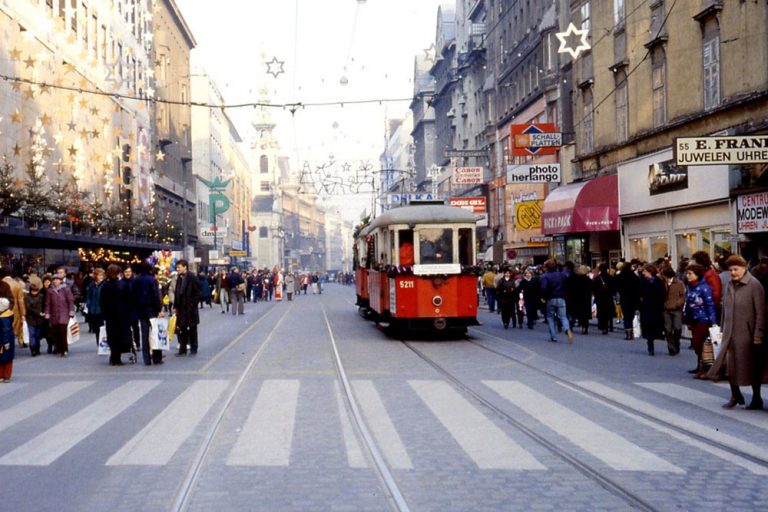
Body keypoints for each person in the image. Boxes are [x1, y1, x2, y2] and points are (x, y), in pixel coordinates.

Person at [708, 255, 767, 409]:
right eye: (731, 270)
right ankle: (735, 395)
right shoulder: (729, 284)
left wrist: (758, 334)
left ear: (744, 268)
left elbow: (760, 312)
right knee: (730, 366)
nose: (733, 273)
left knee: (751, 366)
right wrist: (722, 328)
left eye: (736, 269)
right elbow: (725, 309)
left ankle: (756, 398)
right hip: (730, 332)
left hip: (747, 333)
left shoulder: (754, 285)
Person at [684, 263, 717, 378]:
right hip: (693, 319)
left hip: (703, 319)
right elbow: (688, 304)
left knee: (700, 344)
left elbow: (710, 305)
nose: (687, 276)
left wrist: (713, 322)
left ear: (697, 274)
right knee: (697, 344)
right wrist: (687, 319)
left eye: (690, 273)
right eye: (687, 273)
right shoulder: (689, 286)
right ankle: (700, 366)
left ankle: (706, 368)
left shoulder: (704, 288)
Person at [132, 262, 165, 366]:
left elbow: (133, 295)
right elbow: (155, 295)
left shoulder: (136, 280)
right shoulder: (152, 280)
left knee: (144, 334)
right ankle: (157, 357)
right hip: (152, 309)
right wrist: (159, 309)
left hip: (141, 310)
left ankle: (146, 358)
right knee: (155, 333)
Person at [100, 264, 131, 366]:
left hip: (110, 316)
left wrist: (104, 313)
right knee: (120, 336)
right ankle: (117, 357)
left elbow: (102, 302)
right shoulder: (122, 285)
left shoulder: (105, 286)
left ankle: (113, 356)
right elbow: (128, 300)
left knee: (112, 336)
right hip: (122, 315)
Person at [539, 259, 574, 343]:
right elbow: (567, 285)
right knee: (563, 316)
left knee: (550, 317)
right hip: (561, 297)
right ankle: (567, 329)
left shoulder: (544, 276)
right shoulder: (562, 275)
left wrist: (543, 297)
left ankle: (553, 336)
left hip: (551, 298)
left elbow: (543, 288)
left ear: (546, 267)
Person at [173, 260, 201, 356]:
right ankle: (183, 349)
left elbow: (198, 293)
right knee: (182, 329)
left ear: (185, 267)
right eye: (177, 267)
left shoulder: (192, 277)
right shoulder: (179, 278)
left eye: (179, 267)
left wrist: (192, 304)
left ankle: (194, 348)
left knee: (192, 328)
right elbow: (177, 293)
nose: (177, 269)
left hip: (190, 309)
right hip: (181, 308)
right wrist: (175, 306)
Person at [638, 264, 666, 356]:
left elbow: (663, 294)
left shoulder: (658, 282)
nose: (643, 273)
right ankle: (650, 345)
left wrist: (660, 304)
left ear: (650, 272)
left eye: (645, 271)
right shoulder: (642, 281)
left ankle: (655, 337)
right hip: (646, 307)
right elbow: (638, 293)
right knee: (648, 325)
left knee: (655, 325)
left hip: (656, 307)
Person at [44, 273, 74, 357]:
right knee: (55, 333)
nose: (55, 281)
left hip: (64, 313)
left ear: (61, 281)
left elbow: (70, 300)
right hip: (54, 314)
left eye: (57, 279)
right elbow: (48, 303)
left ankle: (64, 349)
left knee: (62, 332)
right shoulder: (50, 291)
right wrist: (47, 313)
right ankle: (59, 348)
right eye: (54, 280)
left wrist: (71, 311)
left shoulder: (66, 289)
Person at [661, 266, 686, 355]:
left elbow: (683, 295)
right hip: (666, 309)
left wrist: (679, 304)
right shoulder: (662, 283)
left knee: (677, 328)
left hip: (676, 309)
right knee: (668, 329)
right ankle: (671, 348)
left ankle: (676, 342)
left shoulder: (679, 283)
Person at [615, 261, 641, 340]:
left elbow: (616, 286)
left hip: (624, 297)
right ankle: (631, 331)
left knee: (626, 315)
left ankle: (628, 333)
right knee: (631, 315)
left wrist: (620, 292)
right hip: (633, 298)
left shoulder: (620, 276)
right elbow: (638, 288)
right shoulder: (634, 276)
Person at [1, 266, 26, 348]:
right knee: (11, 331)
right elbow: (20, 301)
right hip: (14, 311)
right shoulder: (18, 285)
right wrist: (23, 314)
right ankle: (9, 349)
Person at [24, 276, 46, 356]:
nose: (34, 292)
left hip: (39, 318)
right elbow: (28, 308)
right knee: (32, 333)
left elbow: (44, 305)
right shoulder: (27, 297)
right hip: (31, 318)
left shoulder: (41, 297)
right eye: (33, 291)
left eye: (35, 291)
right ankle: (33, 349)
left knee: (37, 334)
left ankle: (37, 348)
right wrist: (39, 313)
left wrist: (43, 313)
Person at [567, 265, 593, 334]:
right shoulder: (589, 280)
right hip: (586, 299)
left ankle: (571, 326)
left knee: (574, 314)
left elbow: (571, 289)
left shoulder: (576, 279)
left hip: (577, 299)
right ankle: (585, 328)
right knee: (585, 315)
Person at [592, 263, 615, 335]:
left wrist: (596, 295)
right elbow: (613, 288)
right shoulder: (610, 277)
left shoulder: (598, 278)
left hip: (600, 297)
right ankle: (610, 325)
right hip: (608, 296)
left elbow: (594, 288)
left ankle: (603, 326)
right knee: (608, 311)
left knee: (602, 312)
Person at [122, 265, 140, 354]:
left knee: (135, 327)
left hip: (134, 308)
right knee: (126, 328)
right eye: (126, 272)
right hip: (124, 309)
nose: (127, 273)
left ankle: (137, 343)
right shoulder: (121, 282)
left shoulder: (135, 282)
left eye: (129, 271)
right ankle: (128, 344)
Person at [85, 268, 106, 345]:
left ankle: (102, 343)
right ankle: (98, 342)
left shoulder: (105, 285)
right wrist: (89, 305)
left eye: (102, 275)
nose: (101, 277)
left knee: (102, 327)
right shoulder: (92, 285)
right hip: (94, 309)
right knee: (96, 328)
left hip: (102, 310)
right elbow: (89, 296)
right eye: (99, 275)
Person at [0, 279, 15, 382]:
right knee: (5, 358)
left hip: (4, 340)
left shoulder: (4, 317)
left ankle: (4, 375)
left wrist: (6, 342)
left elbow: (5, 330)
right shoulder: (8, 315)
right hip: (6, 339)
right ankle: (4, 375)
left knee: (5, 358)